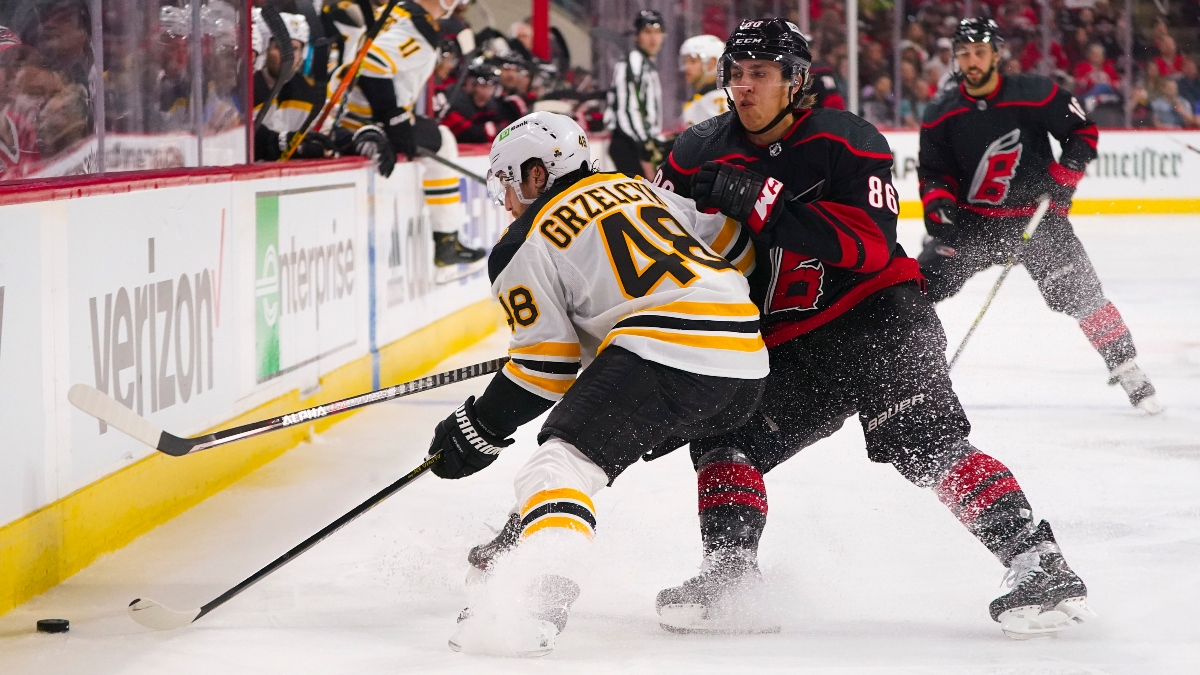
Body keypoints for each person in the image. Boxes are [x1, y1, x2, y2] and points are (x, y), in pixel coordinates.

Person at [649, 18, 1094, 640]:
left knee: (925, 443)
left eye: (762, 74)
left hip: (878, 318)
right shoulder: (696, 148)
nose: (744, 87)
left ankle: (1037, 562)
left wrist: (765, 202)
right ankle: (731, 576)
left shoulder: (846, 138)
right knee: (726, 437)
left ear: (795, 81)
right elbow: (656, 242)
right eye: (737, 73)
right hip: (789, 341)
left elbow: (868, 245)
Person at [430, 111, 768, 656]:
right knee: (592, 448)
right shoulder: (639, 188)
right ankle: (515, 547)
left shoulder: (522, 243)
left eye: (511, 182)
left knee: (557, 465)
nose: (508, 200)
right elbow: (740, 250)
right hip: (747, 360)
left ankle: (537, 599)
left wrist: (477, 427)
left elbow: (546, 367)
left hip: (667, 351)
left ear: (538, 174)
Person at [918, 19, 1161, 413]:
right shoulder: (941, 112)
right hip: (972, 225)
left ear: (996, 54)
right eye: (964, 54)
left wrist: (1064, 179)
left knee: (1083, 296)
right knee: (913, 291)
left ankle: (1127, 366)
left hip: (1036, 218)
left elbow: (1082, 132)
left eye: (979, 52)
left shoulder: (1035, 93)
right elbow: (933, 172)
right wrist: (938, 207)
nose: (972, 61)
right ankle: (897, 373)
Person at [324, 0, 486, 275]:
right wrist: (394, 119)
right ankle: (446, 241)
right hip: (363, 120)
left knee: (440, 138)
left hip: (346, 113)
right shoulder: (417, 27)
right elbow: (372, 64)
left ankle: (448, 240)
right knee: (444, 140)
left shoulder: (398, 11)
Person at [253, 12, 335, 161]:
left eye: (294, 49)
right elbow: (244, 139)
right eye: (280, 48)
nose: (289, 56)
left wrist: (357, 138)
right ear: (265, 49)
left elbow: (327, 135)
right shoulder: (245, 90)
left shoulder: (308, 92)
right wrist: (279, 143)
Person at [605, 9, 665, 178]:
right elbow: (628, 110)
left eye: (657, 32)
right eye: (647, 32)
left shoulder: (646, 66)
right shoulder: (632, 64)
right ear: (637, 36)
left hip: (640, 145)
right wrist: (644, 150)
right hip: (629, 145)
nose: (653, 38)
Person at [440, 60, 508, 143]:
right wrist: (491, 130)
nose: (487, 92)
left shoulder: (492, 105)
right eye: (483, 85)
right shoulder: (452, 100)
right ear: (468, 83)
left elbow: (507, 128)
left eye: (491, 87)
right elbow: (466, 133)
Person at [679, 34, 727, 126]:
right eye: (685, 61)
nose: (686, 67)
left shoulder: (717, 98)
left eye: (693, 61)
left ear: (712, 63)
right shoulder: (702, 98)